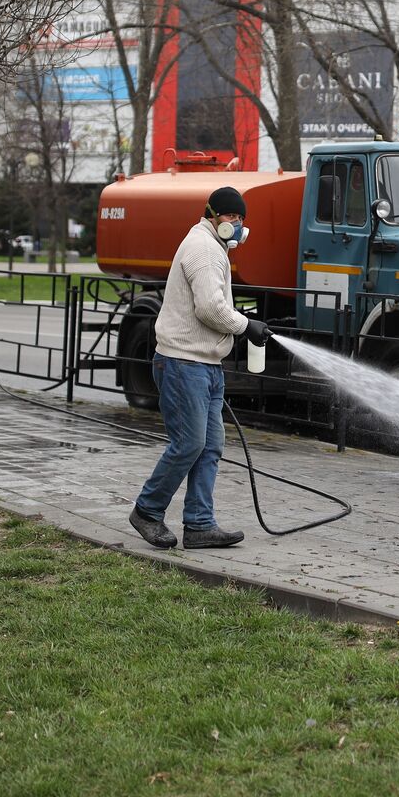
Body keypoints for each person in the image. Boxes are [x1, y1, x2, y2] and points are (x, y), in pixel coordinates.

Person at [128, 186, 273, 551]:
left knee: (209, 446)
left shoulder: (214, 247)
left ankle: (199, 525)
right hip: (184, 363)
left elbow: (214, 304)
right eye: (231, 218)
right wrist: (245, 326)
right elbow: (210, 308)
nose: (237, 225)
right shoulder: (205, 250)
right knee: (190, 443)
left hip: (205, 363)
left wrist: (240, 322)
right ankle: (147, 511)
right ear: (212, 215)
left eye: (241, 220)